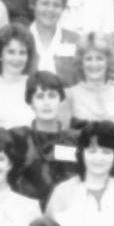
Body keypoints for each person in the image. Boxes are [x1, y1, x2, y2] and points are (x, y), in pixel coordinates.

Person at [10, 71, 81, 207]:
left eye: (52, 96)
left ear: (60, 100)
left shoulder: (76, 139)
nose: (46, 103)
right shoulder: (18, 138)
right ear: (30, 102)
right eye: (40, 97)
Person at [66, 31, 114, 141]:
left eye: (99, 58)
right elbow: (63, 137)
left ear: (108, 61)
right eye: (88, 59)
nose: (94, 64)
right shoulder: (68, 96)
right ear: (81, 62)